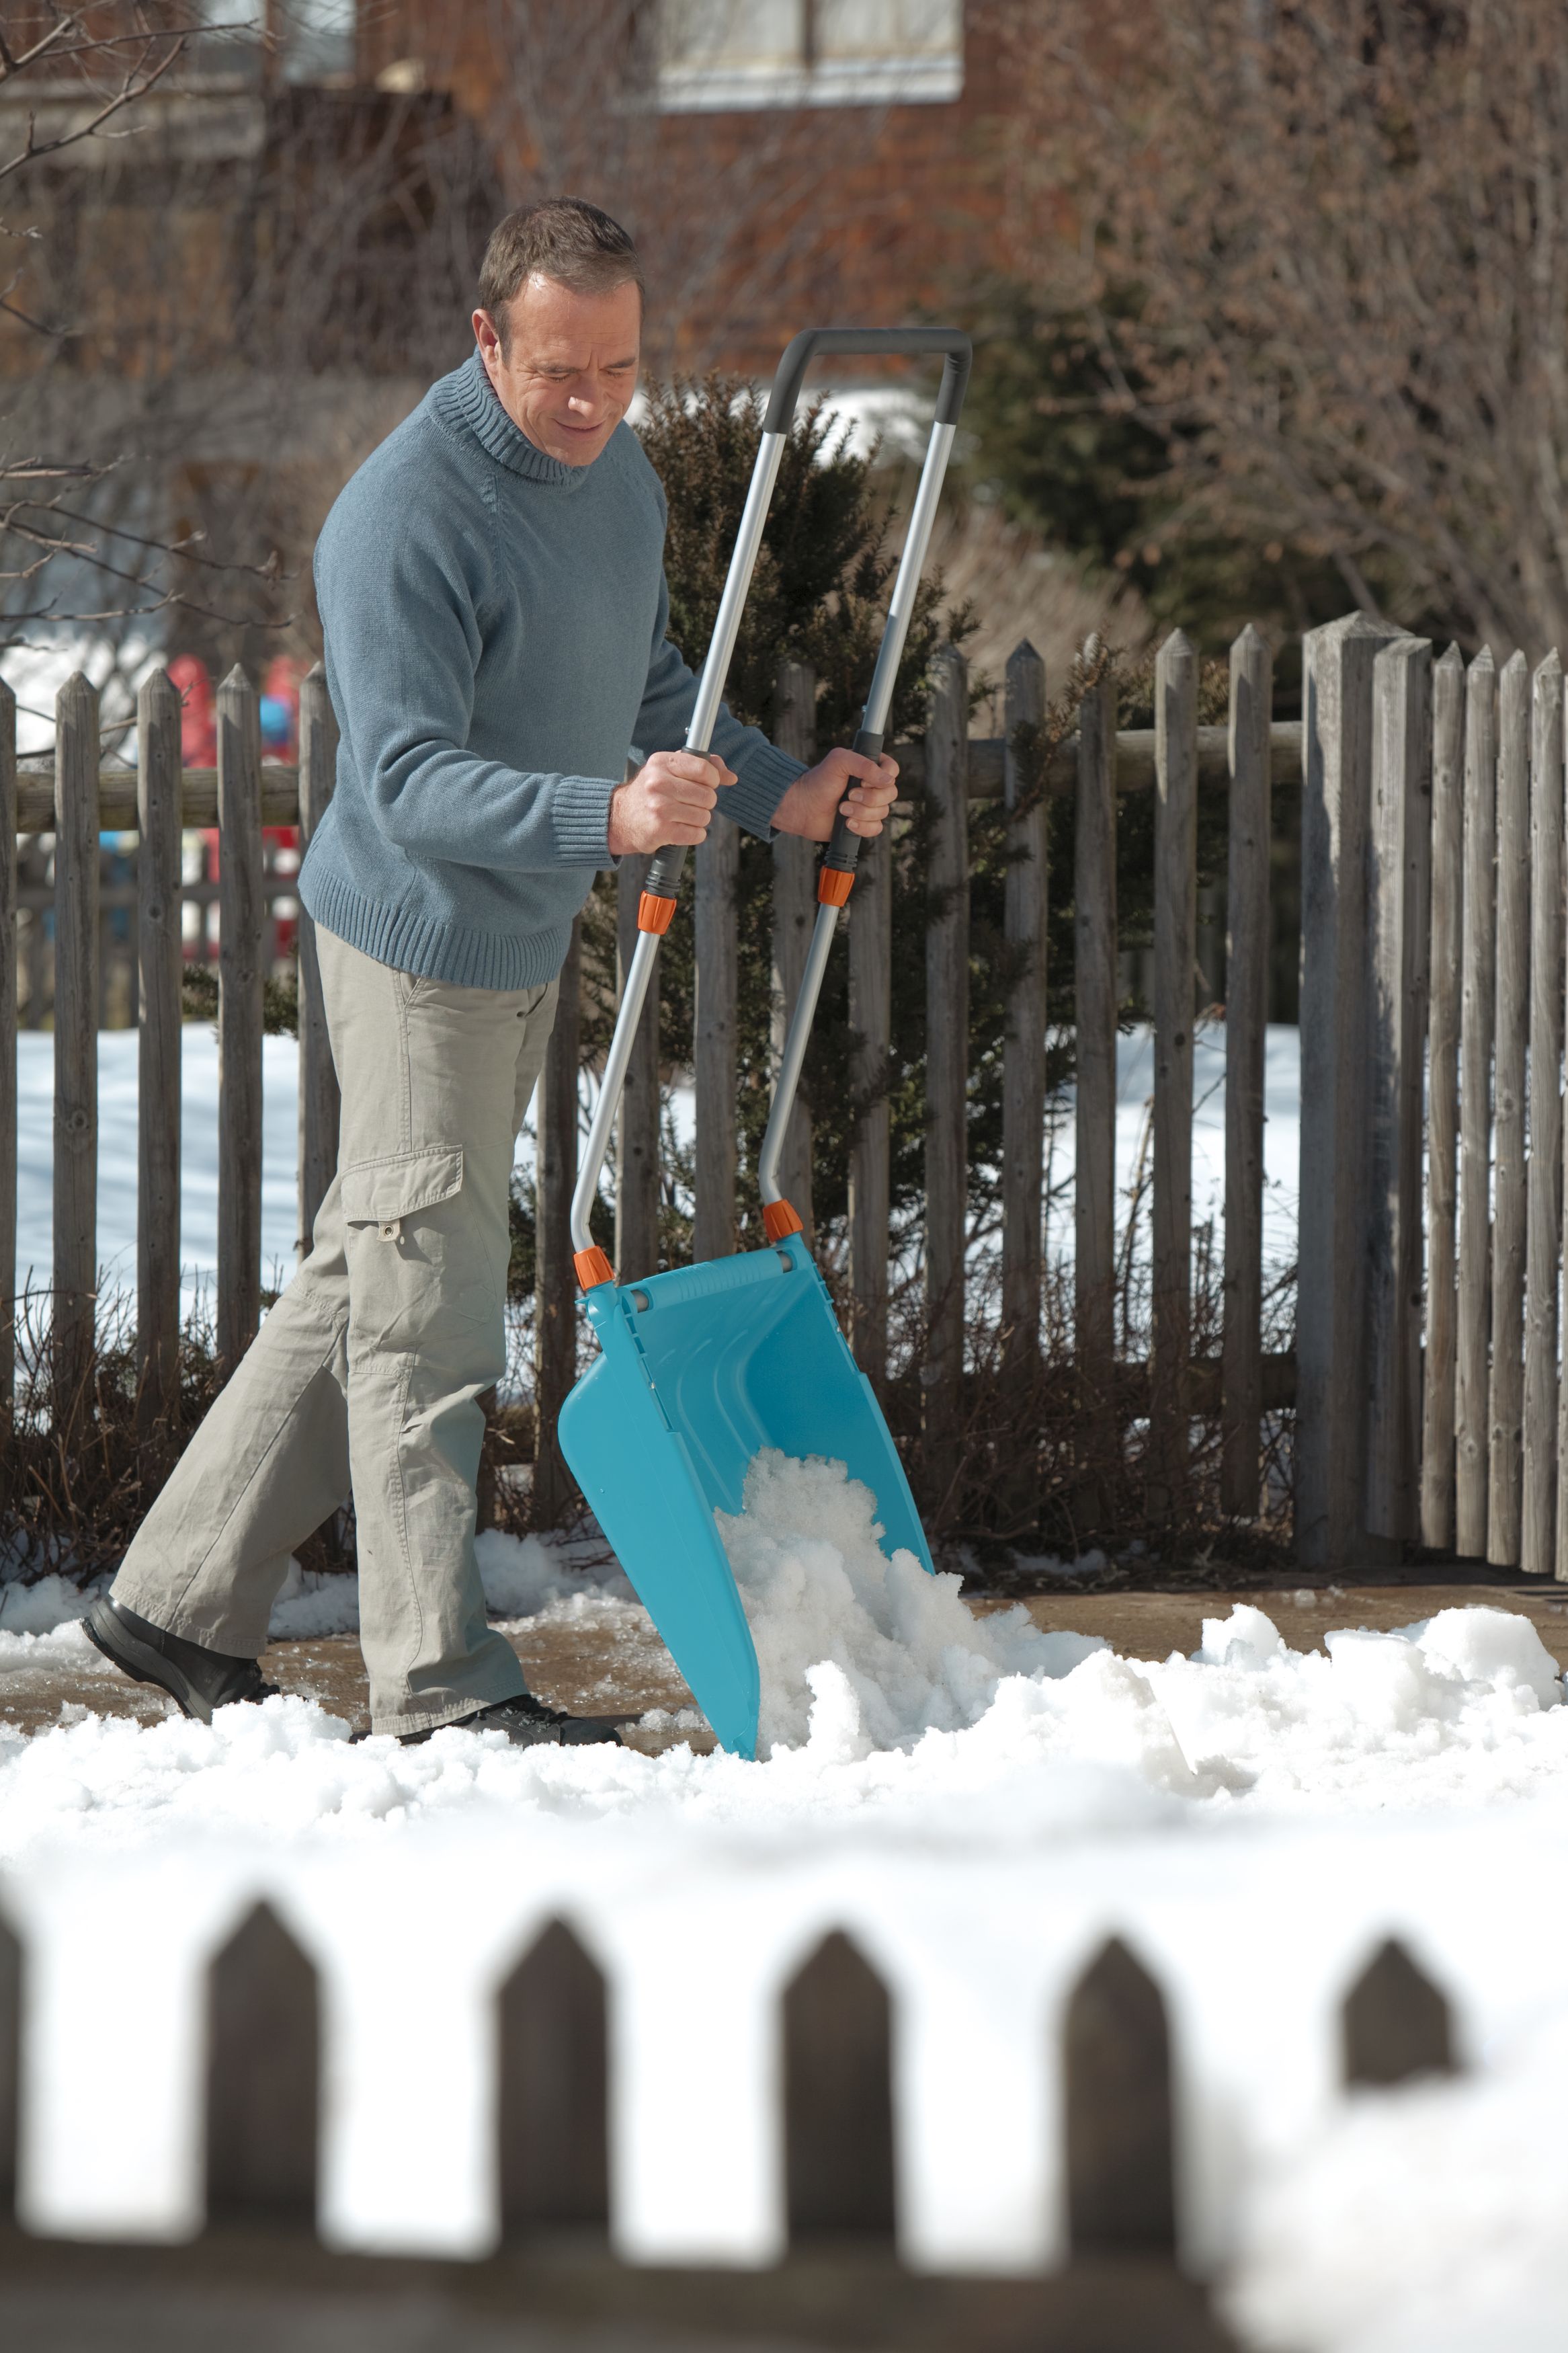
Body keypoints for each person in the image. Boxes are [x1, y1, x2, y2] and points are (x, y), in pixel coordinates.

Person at [84, 197, 898, 1747]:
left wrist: (782, 787)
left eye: (620, 367)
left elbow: (651, 681)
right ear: (484, 339)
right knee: (428, 1318)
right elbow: (405, 782)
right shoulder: (403, 520)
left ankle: (172, 1606)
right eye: (558, 369)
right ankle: (437, 1689)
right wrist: (605, 814)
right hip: (415, 946)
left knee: (373, 1262)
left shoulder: (619, 478)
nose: (592, 401)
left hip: (518, 928)